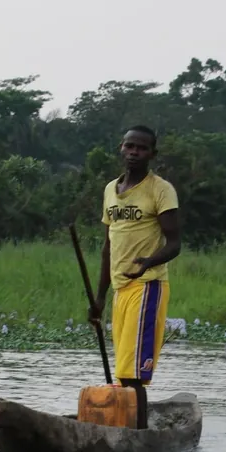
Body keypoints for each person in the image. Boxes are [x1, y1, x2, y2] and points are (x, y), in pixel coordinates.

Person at [88, 125, 181, 430]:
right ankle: (126, 427)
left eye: (141, 148)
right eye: (129, 146)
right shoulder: (110, 190)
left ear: (152, 154)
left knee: (134, 374)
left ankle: (137, 433)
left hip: (147, 285)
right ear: (121, 148)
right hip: (121, 289)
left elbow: (174, 244)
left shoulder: (160, 189)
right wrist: (100, 298)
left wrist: (149, 262)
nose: (134, 152)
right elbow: (108, 247)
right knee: (123, 370)